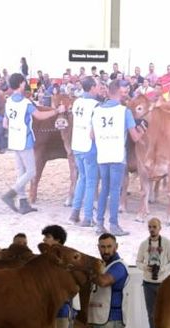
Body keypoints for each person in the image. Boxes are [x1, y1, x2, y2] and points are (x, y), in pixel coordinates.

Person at [0, 73, 66, 214]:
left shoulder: (9, 101)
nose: (25, 84)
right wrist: (56, 111)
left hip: (13, 139)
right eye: (24, 82)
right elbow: (39, 115)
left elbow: (5, 123)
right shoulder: (25, 103)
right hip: (25, 140)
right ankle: (10, 194)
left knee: (21, 172)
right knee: (31, 171)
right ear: (21, 84)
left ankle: (23, 202)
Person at [92, 79, 145, 236]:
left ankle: (99, 223)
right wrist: (142, 130)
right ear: (119, 93)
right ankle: (114, 225)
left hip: (102, 154)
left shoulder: (97, 110)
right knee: (115, 190)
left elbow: (92, 136)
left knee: (104, 189)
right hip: (116, 155)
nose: (125, 95)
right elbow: (135, 137)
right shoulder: (124, 111)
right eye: (124, 92)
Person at [136, 218, 170, 328]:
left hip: (163, 283)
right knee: (151, 313)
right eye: (150, 227)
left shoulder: (167, 243)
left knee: (165, 312)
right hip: (148, 283)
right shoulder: (144, 244)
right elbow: (138, 262)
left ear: (160, 228)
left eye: (154, 227)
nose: (152, 229)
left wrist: (163, 268)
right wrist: (145, 267)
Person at [69, 76, 100, 227]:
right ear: (92, 87)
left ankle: (74, 213)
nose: (98, 88)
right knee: (91, 182)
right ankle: (87, 217)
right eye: (97, 86)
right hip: (89, 145)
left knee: (82, 178)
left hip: (77, 144)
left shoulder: (77, 102)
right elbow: (94, 132)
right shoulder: (96, 105)